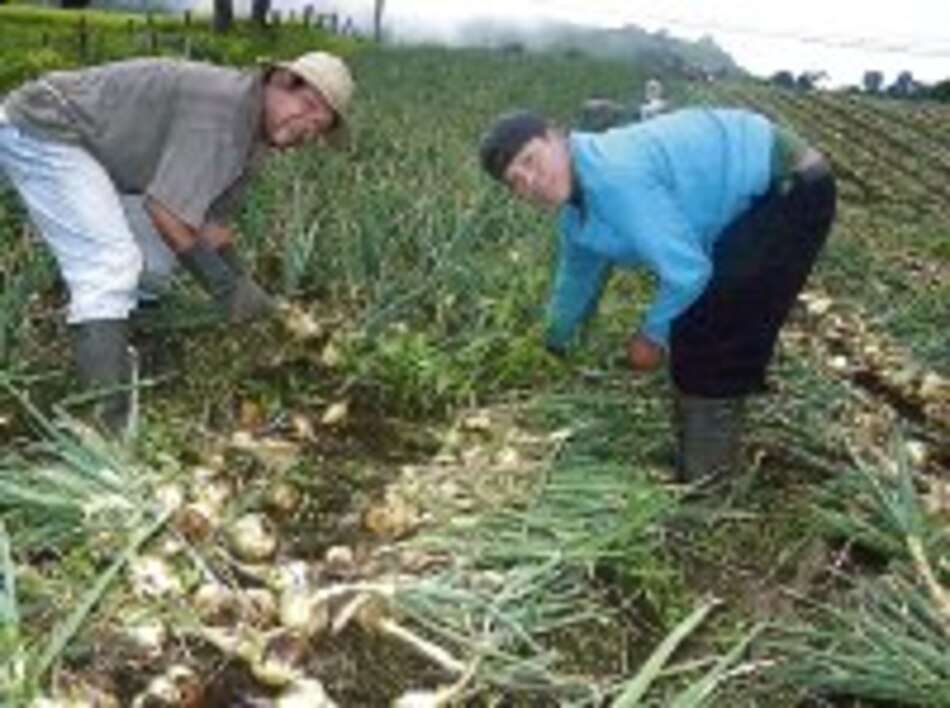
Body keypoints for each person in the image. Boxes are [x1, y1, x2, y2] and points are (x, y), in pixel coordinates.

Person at [0, 51, 354, 435]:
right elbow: (166, 211)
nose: (307, 127)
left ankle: (120, 345)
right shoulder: (225, 110)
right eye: (307, 106)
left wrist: (246, 287)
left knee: (151, 264)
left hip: (106, 157)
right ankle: (102, 432)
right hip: (51, 129)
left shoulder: (256, 140)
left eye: (319, 125)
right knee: (108, 264)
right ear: (280, 81)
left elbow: (211, 223)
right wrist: (223, 287)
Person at [479, 107, 836, 481]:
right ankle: (700, 455)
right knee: (690, 324)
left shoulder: (612, 175)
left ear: (556, 135)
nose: (531, 182)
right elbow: (575, 278)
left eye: (531, 160)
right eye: (516, 182)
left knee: (713, 333)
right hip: (752, 198)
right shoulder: (577, 211)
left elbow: (687, 273)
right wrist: (552, 342)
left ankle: (708, 486)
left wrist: (649, 337)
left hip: (788, 187)